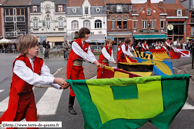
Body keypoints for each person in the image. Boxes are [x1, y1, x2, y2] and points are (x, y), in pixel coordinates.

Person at [0, 35, 69, 128]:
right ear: (25, 48)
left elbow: (47, 76)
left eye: (37, 45)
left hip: (29, 95)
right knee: (11, 122)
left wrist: (60, 85)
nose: (37, 47)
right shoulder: (19, 62)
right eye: (33, 46)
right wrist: (55, 80)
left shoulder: (39, 61)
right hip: (17, 96)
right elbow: (33, 78)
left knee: (33, 123)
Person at [66, 27, 104, 115]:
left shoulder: (86, 45)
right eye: (87, 34)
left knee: (83, 85)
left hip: (79, 68)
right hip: (73, 68)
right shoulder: (75, 43)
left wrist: (96, 61)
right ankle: (70, 107)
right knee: (73, 87)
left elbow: (90, 54)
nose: (88, 35)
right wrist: (95, 62)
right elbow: (83, 54)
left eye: (88, 33)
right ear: (82, 34)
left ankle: (87, 105)